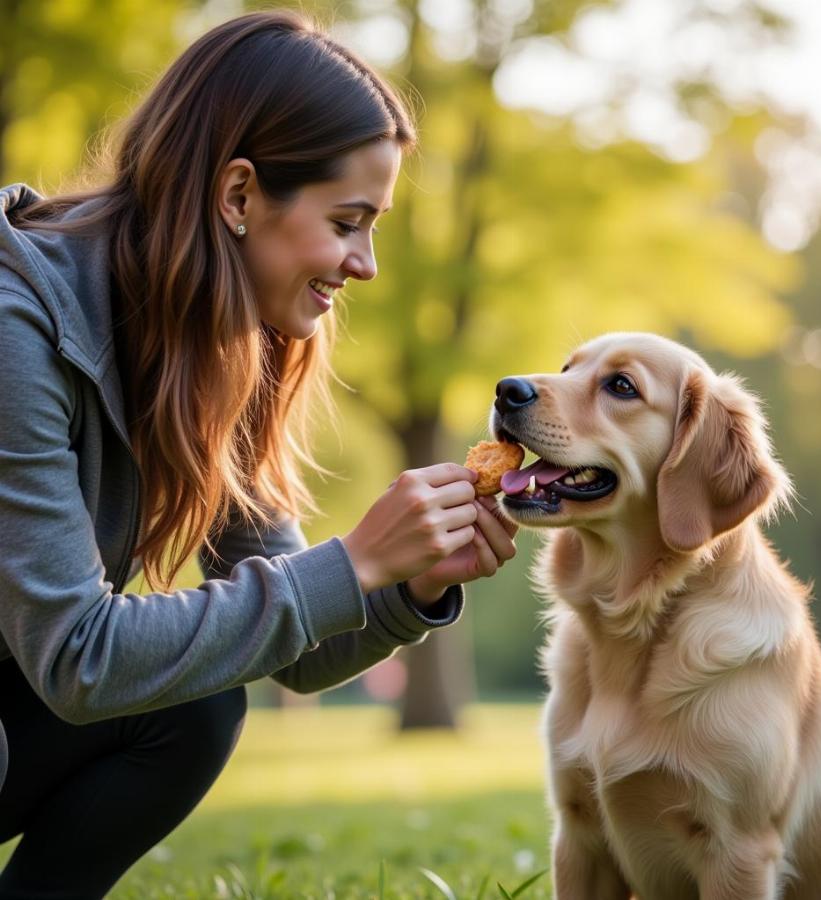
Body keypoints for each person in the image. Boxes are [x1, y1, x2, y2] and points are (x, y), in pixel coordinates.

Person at [0, 10, 517, 897]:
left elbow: (297, 652)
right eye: (349, 221)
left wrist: (412, 582)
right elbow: (78, 658)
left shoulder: (213, 346)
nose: (367, 265)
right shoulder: (17, 331)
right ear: (238, 197)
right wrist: (353, 559)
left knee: (195, 700)